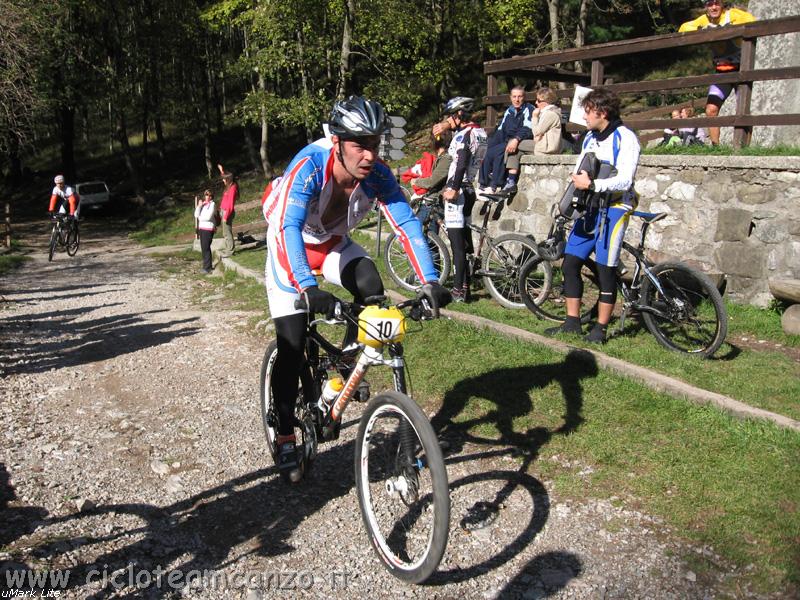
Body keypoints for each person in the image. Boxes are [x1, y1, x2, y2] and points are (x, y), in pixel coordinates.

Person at [261, 96, 451, 478]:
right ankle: (284, 431)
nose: (369, 155)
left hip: (333, 245)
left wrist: (429, 282)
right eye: (359, 145)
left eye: (375, 144)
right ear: (337, 143)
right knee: (293, 345)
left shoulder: (378, 173)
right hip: (289, 249)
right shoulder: (310, 165)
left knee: (370, 284)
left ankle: (345, 365)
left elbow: (407, 226)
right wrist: (307, 287)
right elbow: (288, 229)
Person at [545, 87, 640, 344]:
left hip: (615, 208)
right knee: (571, 263)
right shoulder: (589, 138)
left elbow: (625, 180)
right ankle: (572, 323)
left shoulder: (625, 138)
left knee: (605, 269)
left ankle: (600, 328)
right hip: (590, 207)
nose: (584, 117)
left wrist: (594, 185)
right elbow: (581, 171)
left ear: (603, 112)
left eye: (588, 112)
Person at [679, 0, 756, 145]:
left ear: (722, 5)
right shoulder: (704, 20)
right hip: (721, 71)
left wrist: (733, 27)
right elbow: (683, 29)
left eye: (717, 3)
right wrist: (700, 30)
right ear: (706, 7)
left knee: (743, 110)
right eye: (710, 4)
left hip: (741, 69)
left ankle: (745, 148)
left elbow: (752, 21)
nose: (714, 7)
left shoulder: (731, 15)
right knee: (711, 110)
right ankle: (716, 147)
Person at [439, 96, 487, 303]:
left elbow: (461, 163)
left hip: (458, 191)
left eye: (452, 115)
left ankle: (459, 290)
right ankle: (465, 284)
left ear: (459, 114)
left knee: (457, 244)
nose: (450, 119)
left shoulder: (464, 135)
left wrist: (453, 188)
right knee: (465, 242)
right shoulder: (481, 132)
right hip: (470, 190)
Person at [478, 86, 533, 194]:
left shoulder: (529, 109)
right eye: (514, 96)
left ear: (524, 97)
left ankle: (494, 186)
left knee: (499, 152)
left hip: (520, 140)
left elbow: (527, 128)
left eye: (520, 96)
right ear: (510, 97)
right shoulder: (509, 111)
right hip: (506, 140)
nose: (517, 100)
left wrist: (516, 139)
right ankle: (482, 184)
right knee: (487, 151)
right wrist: (488, 145)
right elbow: (501, 130)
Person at [505, 87, 563, 180]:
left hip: (547, 149)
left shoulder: (550, 114)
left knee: (514, 143)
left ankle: (501, 168)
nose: (536, 103)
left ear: (546, 101)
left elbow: (536, 131)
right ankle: (510, 181)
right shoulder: (546, 113)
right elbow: (538, 133)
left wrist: (534, 117)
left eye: (539, 101)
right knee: (515, 151)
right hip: (542, 144)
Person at [217, 164, 238, 257]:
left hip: (227, 212)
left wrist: (226, 216)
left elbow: (230, 204)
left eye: (224, 179)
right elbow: (226, 176)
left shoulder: (233, 188)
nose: (223, 180)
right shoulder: (229, 186)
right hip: (223, 211)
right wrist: (221, 170)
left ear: (228, 179)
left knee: (227, 232)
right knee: (224, 232)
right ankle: (227, 249)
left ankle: (230, 250)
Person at [194, 189, 217, 274]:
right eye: (206, 195)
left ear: (212, 196)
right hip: (202, 228)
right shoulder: (203, 205)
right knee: (203, 248)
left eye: (209, 195)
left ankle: (207, 268)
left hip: (209, 228)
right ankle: (206, 266)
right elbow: (196, 215)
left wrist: (200, 218)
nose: (207, 197)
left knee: (206, 247)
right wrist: (199, 206)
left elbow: (208, 217)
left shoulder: (213, 204)